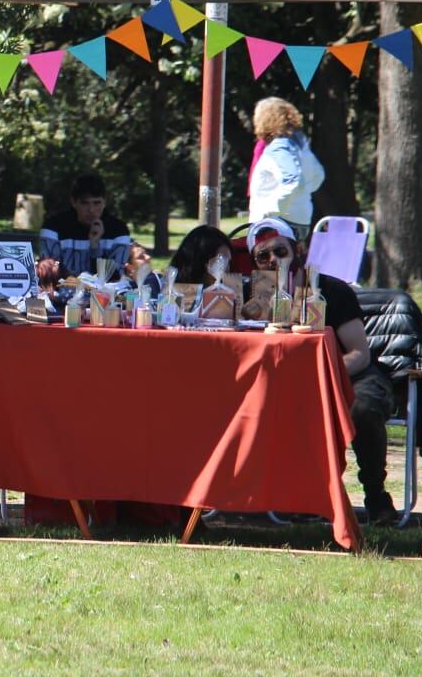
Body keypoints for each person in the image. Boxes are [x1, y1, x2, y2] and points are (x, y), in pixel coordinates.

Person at [245, 216, 397, 524]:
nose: (273, 260)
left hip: (347, 373)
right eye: (264, 255)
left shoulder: (332, 290)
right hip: (282, 382)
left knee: (364, 407)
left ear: (298, 250)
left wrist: (322, 377)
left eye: (280, 251)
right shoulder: (253, 299)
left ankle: (376, 495)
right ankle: (285, 496)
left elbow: (359, 353)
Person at [248, 97, 325, 238]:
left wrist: (271, 212)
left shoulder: (279, 146)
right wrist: (302, 195)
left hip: (277, 223)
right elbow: (318, 176)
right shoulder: (300, 145)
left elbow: (293, 181)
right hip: (300, 219)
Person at [40, 172, 131, 278]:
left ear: (104, 202)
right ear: (74, 202)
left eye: (96, 203)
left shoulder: (119, 231)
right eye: (84, 203)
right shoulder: (53, 227)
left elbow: (116, 278)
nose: (91, 210)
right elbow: (48, 271)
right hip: (62, 291)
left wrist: (95, 247)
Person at [168, 226, 233, 286]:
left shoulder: (230, 289)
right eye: (222, 261)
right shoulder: (173, 291)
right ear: (202, 262)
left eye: (228, 262)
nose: (227, 268)